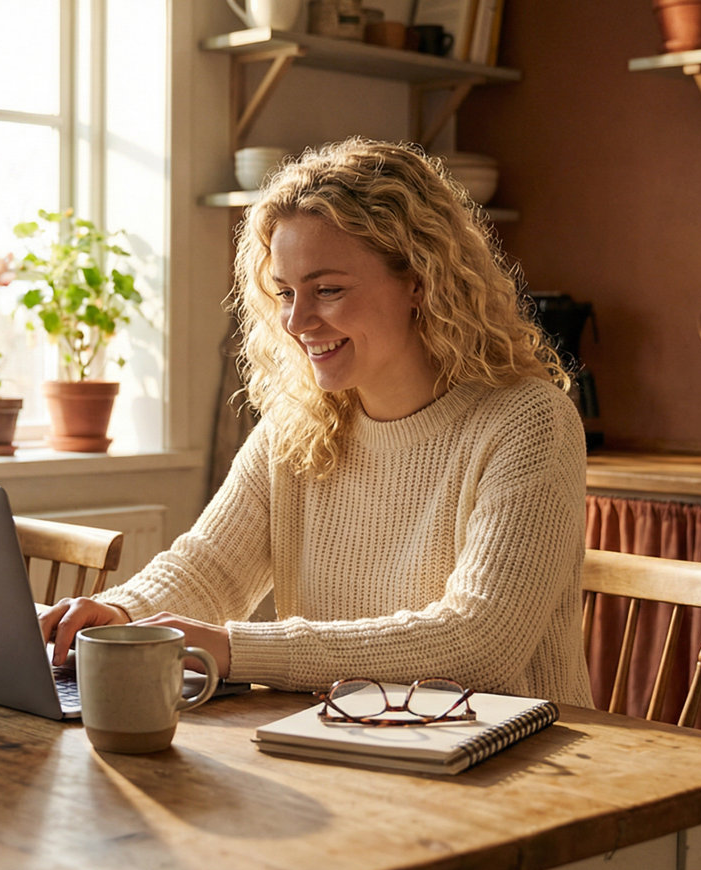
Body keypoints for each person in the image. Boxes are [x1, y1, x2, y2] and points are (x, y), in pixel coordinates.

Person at [39, 138, 593, 707]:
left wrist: (233, 649)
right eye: (284, 292)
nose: (297, 321)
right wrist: (121, 612)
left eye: (327, 290)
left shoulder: (528, 421)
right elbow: (209, 568)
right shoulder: (299, 423)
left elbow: (479, 644)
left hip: (511, 764)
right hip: (348, 739)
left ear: (420, 281)